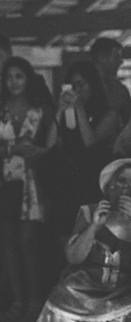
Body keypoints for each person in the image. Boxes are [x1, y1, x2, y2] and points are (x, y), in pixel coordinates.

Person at [29, 158, 131, 322]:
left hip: (122, 300)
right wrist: (94, 227)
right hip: (80, 295)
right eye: (121, 181)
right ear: (110, 186)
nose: (127, 188)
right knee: (62, 316)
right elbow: (74, 257)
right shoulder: (90, 211)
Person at [0, 56, 57, 319]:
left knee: (28, 242)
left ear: (28, 78)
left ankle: (35, 299)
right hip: (3, 179)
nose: (13, 82)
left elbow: (52, 146)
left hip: (32, 183)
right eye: (9, 77)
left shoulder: (41, 108)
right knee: (8, 242)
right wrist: (13, 148)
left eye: (19, 76)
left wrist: (37, 151)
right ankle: (18, 299)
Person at [49, 60, 119, 242]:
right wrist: (59, 111)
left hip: (94, 180)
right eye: (73, 86)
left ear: (93, 85)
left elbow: (90, 141)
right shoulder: (67, 115)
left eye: (81, 85)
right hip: (68, 180)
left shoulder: (109, 115)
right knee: (65, 233)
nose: (77, 90)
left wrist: (78, 107)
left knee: (91, 234)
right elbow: (49, 144)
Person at [90, 37, 131, 126]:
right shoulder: (81, 87)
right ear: (102, 58)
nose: (121, 62)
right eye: (116, 57)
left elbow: (128, 124)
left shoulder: (120, 90)